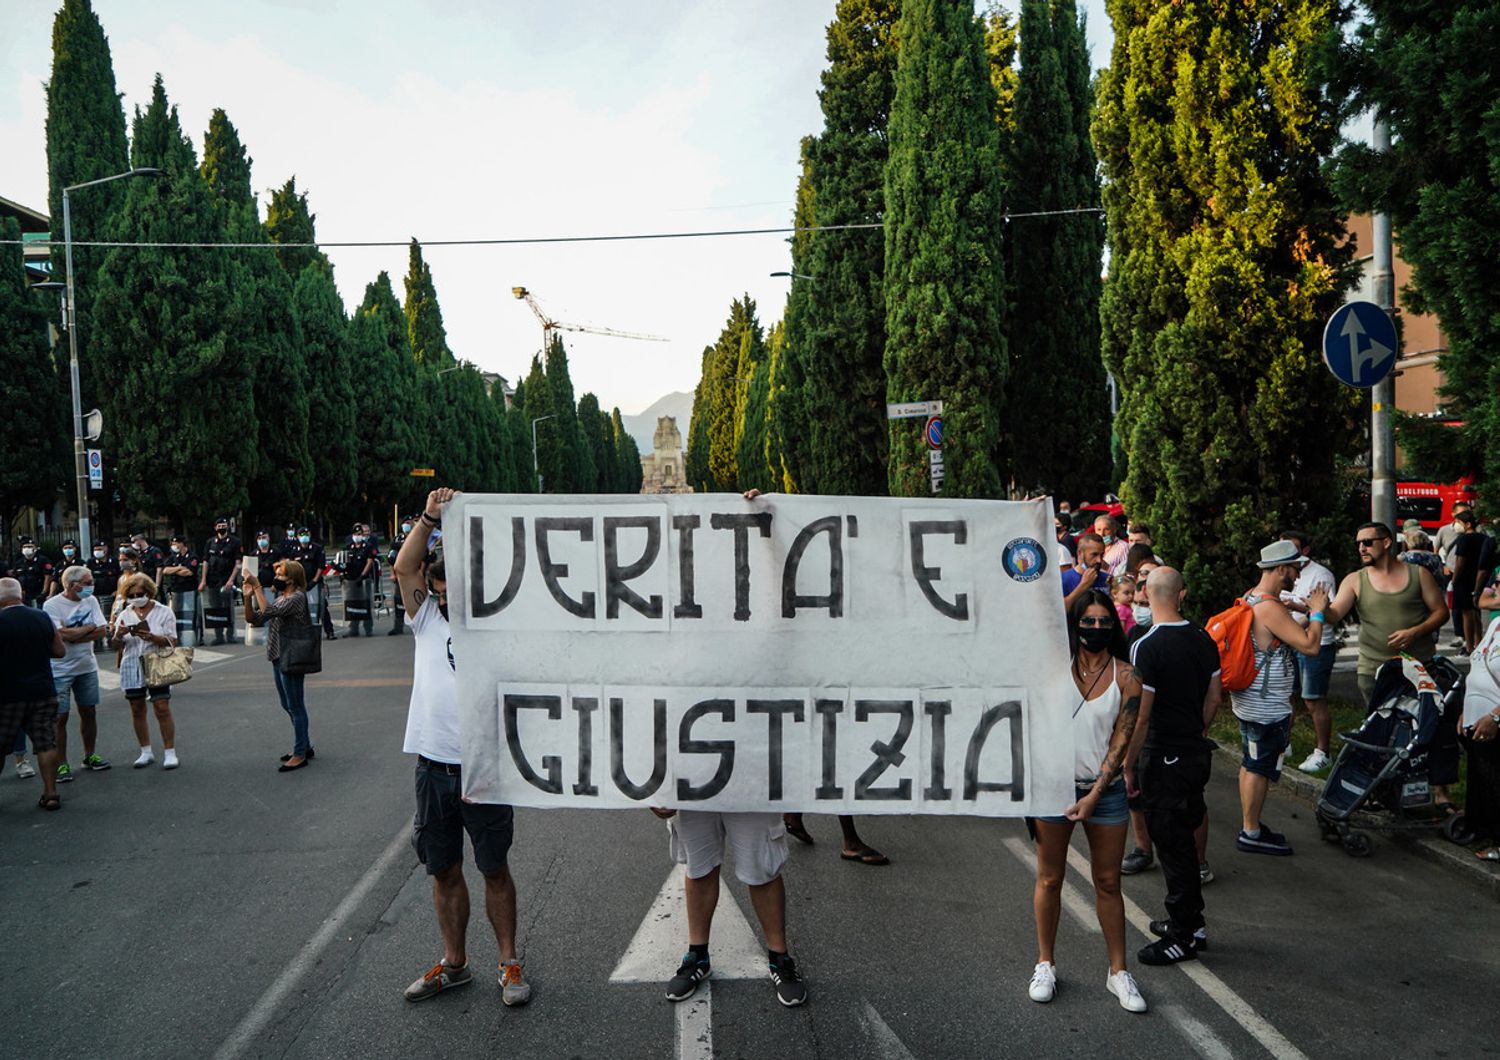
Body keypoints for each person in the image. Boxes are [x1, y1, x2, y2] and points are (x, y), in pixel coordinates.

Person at [655, 487, 808, 1008]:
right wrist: (657, 776)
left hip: (752, 766)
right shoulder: (672, 624)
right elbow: (649, 695)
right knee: (698, 867)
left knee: (761, 868)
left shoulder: (762, 615)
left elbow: (793, 593)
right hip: (690, 768)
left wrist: (767, 518)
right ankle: (697, 954)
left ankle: (780, 957)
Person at [395, 488, 532, 1008]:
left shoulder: (500, 625)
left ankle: (509, 962)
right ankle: (455, 964)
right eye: (440, 585)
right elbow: (405, 568)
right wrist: (429, 517)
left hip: (485, 768)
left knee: (493, 867)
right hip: (434, 767)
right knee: (444, 869)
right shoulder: (426, 618)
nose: (448, 593)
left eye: (456, 585)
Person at [1026, 590, 1147, 1013]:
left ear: (1114, 627)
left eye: (1104, 622)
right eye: (1087, 621)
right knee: (1049, 879)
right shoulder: (1048, 668)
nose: (1096, 629)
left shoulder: (1127, 676)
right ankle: (1045, 963)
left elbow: (1122, 739)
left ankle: (1118, 972)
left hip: (1105, 792)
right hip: (1051, 788)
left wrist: (1095, 793)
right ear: (1073, 623)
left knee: (1109, 882)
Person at [1124, 568, 1221, 963]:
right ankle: (1190, 922)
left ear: (1145, 593)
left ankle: (1183, 935)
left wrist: (1128, 763)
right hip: (1195, 753)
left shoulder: (1146, 645)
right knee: (1185, 837)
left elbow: (1140, 716)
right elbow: (1215, 698)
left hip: (1164, 756)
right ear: (1183, 593)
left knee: (1173, 847)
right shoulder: (1203, 637)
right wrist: (1196, 731)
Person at [1230, 541, 1331, 856]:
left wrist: (1305, 615)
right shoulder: (1270, 606)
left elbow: (1284, 636)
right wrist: (1317, 612)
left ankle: (1252, 825)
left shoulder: (1254, 597)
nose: (1298, 574)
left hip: (1249, 700)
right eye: (1296, 567)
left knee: (1251, 762)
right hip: (1265, 705)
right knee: (1259, 766)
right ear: (1282, 568)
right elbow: (1311, 647)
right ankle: (1250, 832)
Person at [1325, 522, 1449, 707]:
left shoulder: (1419, 574)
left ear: (1386, 542)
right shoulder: (1354, 580)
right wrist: (1320, 608)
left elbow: (1441, 612)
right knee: (1379, 730)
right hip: (1373, 669)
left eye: (1367, 542)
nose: (1361, 548)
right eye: (1358, 543)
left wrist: (1415, 632)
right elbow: (1334, 615)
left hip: (1418, 666)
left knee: (1419, 729)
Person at [0, 577, 67, 808]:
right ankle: (50, 793)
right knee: (46, 743)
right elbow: (60, 651)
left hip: (7, 694)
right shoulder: (41, 617)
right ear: (22, 594)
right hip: (42, 690)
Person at [242, 559, 315, 772]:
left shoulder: (296, 597)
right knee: (287, 704)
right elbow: (255, 619)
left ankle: (300, 752)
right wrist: (248, 597)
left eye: (281, 575)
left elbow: (268, 610)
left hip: (291, 656)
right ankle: (304, 744)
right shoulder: (282, 597)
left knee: (295, 705)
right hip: (277, 655)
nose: (277, 578)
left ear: (291, 579)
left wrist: (257, 587)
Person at [44, 566, 111, 781]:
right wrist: (87, 628)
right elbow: (59, 635)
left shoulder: (90, 601)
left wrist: (74, 635)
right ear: (73, 585)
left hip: (86, 666)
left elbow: (102, 630)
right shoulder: (52, 605)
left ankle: (89, 755)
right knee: (60, 717)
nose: (92, 585)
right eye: (87, 581)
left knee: (88, 711)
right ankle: (61, 764)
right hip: (60, 669)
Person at [1281, 530, 1339, 772]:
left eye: (1293, 549)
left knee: (1313, 699)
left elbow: (1324, 612)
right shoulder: (1284, 572)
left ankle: (1323, 752)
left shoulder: (1321, 575)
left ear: (1305, 550)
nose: (1287, 554)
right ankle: (1284, 744)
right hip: (1291, 642)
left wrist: (1296, 609)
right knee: (1287, 695)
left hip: (1317, 644)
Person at [110, 573, 180, 771]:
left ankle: (170, 752)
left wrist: (153, 637)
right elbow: (115, 645)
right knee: (137, 708)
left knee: (161, 706)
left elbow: (172, 640)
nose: (135, 598)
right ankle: (146, 751)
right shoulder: (125, 614)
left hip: (157, 662)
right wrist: (119, 634)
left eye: (139, 594)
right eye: (130, 596)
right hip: (132, 663)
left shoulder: (164, 611)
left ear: (148, 592)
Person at [1462, 584, 1500, 862]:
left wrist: (1495, 716)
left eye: (1499, 585)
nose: (1494, 588)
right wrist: (1466, 711)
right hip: (1478, 721)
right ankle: (1485, 831)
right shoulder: (1496, 622)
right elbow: (1478, 664)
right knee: (1484, 784)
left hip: (1494, 720)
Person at [1449, 510, 1487, 653]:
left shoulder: (1464, 539)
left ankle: (1469, 646)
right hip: (1478, 577)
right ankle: (1479, 642)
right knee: (1476, 611)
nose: (1455, 525)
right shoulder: (1483, 538)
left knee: (1466, 613)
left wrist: (1454, 580)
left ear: (1468, 524)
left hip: (1464, 579)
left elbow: (1460, 561)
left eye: (1458, 522)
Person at [200, 517, 243, 645]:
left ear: (227, 527)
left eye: (224, 525)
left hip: (227, 580)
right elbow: (206, 562)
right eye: (219, 526)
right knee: (215, 607)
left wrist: (231, 580)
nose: (221, 528)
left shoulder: (235, 542)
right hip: (213, 580)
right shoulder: (210, 542)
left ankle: (230, 635)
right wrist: (203, 580)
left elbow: (238, 563)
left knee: (228, 607)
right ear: (215, 528)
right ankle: (218, 636)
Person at [290, 528, 335, 642]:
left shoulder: (317, 549)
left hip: (315, 583)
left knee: (321, 607)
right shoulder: (294, 550)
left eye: (306, 534)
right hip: (299, 584)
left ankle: (329, 631)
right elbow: (291, 568)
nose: (304, 537)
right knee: (300, 609)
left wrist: (314, 581)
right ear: (298, 537)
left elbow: (321, 567)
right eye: (302, 535)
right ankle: (301, 632)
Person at [345, 523, 377, 637]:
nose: (357, 536)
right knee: (352, 603)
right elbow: (344, 561)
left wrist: (362, 576)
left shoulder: (368, 546)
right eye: (355, 534)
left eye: (360, 534)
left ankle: (368, 628)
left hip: (364, 579)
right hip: (351, 580)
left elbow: (369, 562)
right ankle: (353, 629)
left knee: (366, 603)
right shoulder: (349, 546)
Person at [1062, 533, 1107, 612]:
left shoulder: (1108, 579)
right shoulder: (1064, 579)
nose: (1099, 560)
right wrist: (1083, 585)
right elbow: (1060, 611)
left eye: (1102, 555)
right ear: (1080, 553)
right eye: (1094, 554)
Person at [8, 535, 55, 606]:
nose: (27, 549)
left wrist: (44, 592)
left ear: (35, 548)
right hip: (24, 596)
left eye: (30, 547)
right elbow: (15, 577)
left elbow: (48, 577)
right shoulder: (19, 563)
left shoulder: (43, 560)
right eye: (25, 547)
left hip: (38, 594)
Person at [387, 516, 414, 636]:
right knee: (398, 600)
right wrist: (392, 573)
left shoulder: (416, 537)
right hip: (400, 574)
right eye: (405, 523)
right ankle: (398, 626)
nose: (407, 525)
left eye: (409, 523)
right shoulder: (397, 539)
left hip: (414, 573)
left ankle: (417, 625)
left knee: (415, 600)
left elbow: (424, 558)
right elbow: (391, 558)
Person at [87, 540, 121, 633]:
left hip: (112, 594)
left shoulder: (114, 561)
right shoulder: (91, 562)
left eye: (99, 549)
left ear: (106, 549)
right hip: (96, 594)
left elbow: (120, 576)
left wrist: (118, 590)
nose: (97, 551)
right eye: (95, 549)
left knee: (110, 615)